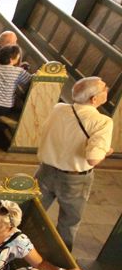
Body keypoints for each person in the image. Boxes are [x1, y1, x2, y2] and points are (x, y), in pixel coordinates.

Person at [34, 76, 114, 251]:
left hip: (45, 171)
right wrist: (105, 152)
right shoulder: (102, 122)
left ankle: (20, 250)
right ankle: (60, 259)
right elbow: (93, 158)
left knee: (33, 213)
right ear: (94, 99)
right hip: (74, 180)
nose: (107, 89)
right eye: (104, 87)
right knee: (68, 222)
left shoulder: (59, 108)